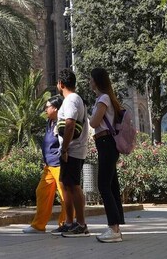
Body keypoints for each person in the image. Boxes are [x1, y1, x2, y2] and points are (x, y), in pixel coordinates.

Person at [88, 67, 125, 243]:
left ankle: (114, 228)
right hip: (106, 143)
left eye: (91, 79)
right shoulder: (105, 98)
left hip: (106, 143)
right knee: (112, 185)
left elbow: (95, 122)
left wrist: (90, 117)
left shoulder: (103, 98)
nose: (89, 82)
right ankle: (116, 226)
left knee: (104, 185)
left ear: (96, 80)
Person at [51, 69, 90, 238]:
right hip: (68, 149)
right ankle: (69, 223)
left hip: (73, 149)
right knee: (66, 185)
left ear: (61, 84)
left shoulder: (72, 99)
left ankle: (81, 224)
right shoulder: (70, 100)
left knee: (73, 185)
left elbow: (70, 124)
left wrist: (65, 148)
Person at [23, 95, 67, 233]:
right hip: (49, 165)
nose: (45, 109)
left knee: (65, 196)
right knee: (41, 192)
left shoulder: (62, 122)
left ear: (55, 108)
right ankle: (38, 225)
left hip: (59, 164)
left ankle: (65, 224)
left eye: (47, 107)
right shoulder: (49, 121)